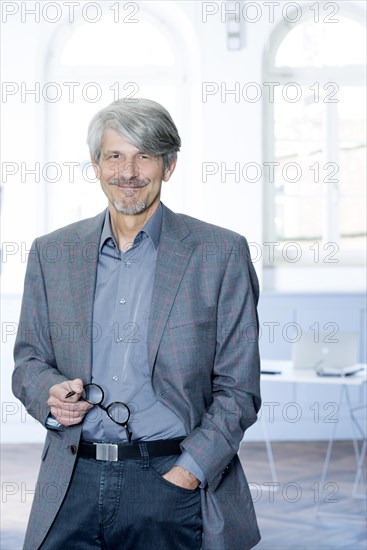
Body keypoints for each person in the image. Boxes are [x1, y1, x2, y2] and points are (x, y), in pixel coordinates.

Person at [12, 98, 261, 550]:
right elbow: (28, 361)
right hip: (71, 479)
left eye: (144, 155)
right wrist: (47, 394)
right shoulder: (52, 252)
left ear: (168, 166)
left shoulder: (221, 254)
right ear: (95, 164)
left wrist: (189, 472)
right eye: (115, 156)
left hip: (168, 481)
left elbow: (239, 389)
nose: (128, 171)